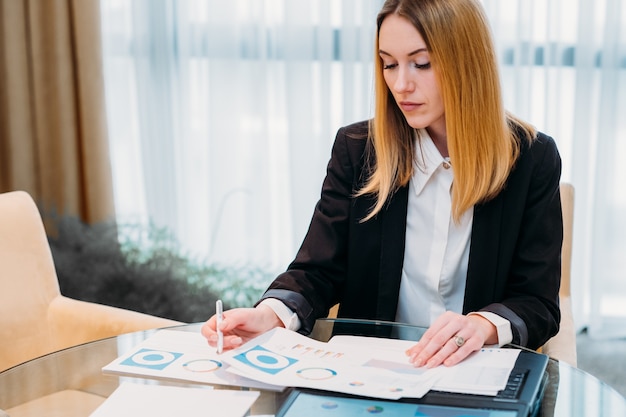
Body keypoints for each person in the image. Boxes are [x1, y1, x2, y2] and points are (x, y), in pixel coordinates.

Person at [202, 0, 562, 369]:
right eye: (388, 64)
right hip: (370, 378)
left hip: (472, 374)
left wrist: (481, 325)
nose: (400, 84)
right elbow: (318, 270)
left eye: (421, 63)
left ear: (467, 61)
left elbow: (538, 302)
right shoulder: (358, 151)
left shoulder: (532, 159)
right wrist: (272, 315)